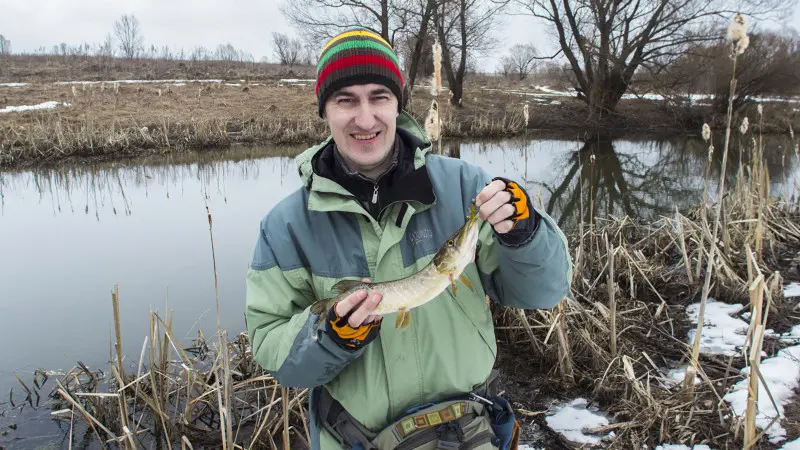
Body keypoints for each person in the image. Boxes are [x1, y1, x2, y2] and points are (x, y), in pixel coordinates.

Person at [245, 27, 572, 450]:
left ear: (398, 103)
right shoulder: (286, 226)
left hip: (471, 434)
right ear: (324, 110)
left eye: (379, 96)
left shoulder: (463, 185)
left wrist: (524, 234)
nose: (365, 119)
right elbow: (275, 353)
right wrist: (330, 334)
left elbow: (546, 290)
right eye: (346, 100)